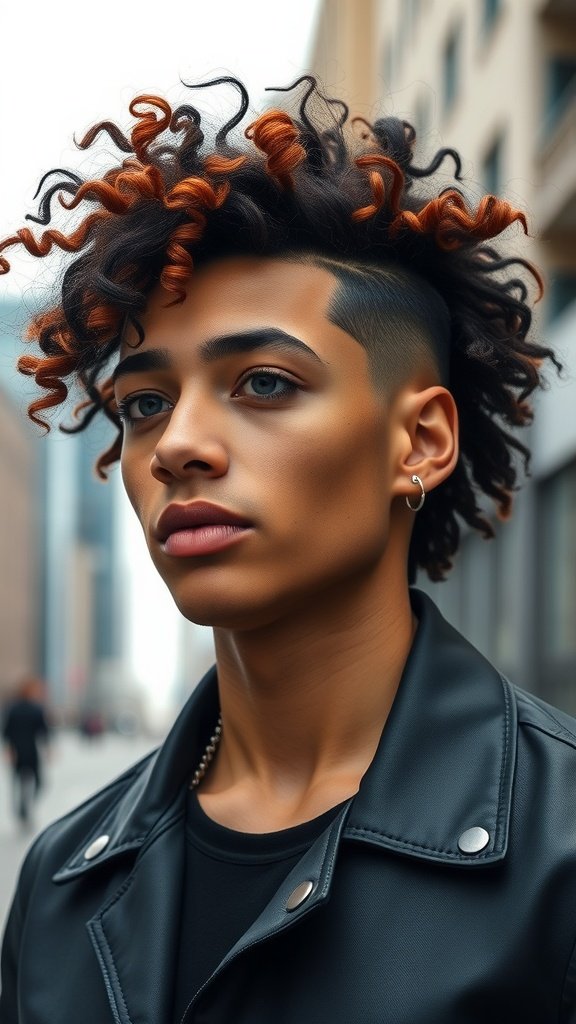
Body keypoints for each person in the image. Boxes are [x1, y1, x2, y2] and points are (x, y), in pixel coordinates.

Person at [0, 75, 572, 1023]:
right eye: (144, 404)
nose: (178, 443)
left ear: (420, 442)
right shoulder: (62, 882)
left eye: (264, 383)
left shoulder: (558, 854)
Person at [2, 676, 50, 827]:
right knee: (38, 782)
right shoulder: (36, 708)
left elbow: (6, 731)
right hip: (30, 750)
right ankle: (24, 808)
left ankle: (23, 808)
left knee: (18, 782)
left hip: (18, 750)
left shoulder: (13, 708)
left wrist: (9, 749)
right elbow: (44, 731)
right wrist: (49, 748)